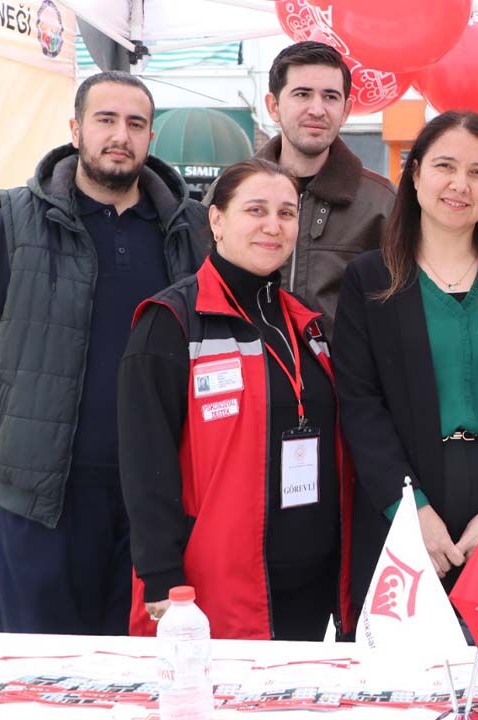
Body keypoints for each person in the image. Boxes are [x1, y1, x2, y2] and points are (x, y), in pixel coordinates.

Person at [0, 71, 211, 634]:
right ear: (76, 129)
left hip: (154, 499)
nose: (120, 135)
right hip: (42, 496)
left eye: (135, 124)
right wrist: (26, 395)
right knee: (38, 669)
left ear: (150, 137)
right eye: (105, 120)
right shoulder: (19, 218)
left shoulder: (186, 229)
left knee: (134, 673)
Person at [332, 111, 478, 617]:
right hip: (403, 504)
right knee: (401, 689)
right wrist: (410, 510)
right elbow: (360, 404)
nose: (460, 184)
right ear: (414, 176)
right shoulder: (369, 281)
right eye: (445, 166)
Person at [118, 158, 352, 641]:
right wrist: (160, 578)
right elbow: (145, 465)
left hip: (309, 582)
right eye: (256, 210)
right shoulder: (172, 321)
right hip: (214, 586)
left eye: (287, 213)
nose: (273, 226)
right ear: (217, 220)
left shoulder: (306, 326)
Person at [215, 40, 395, 331]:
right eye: (302, 94)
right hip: (246, 368)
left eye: (330, 97)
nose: (317, 109)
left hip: (340, 374)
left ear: (346, 109)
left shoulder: (381, 203)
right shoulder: (230, 192)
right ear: (273, 105)